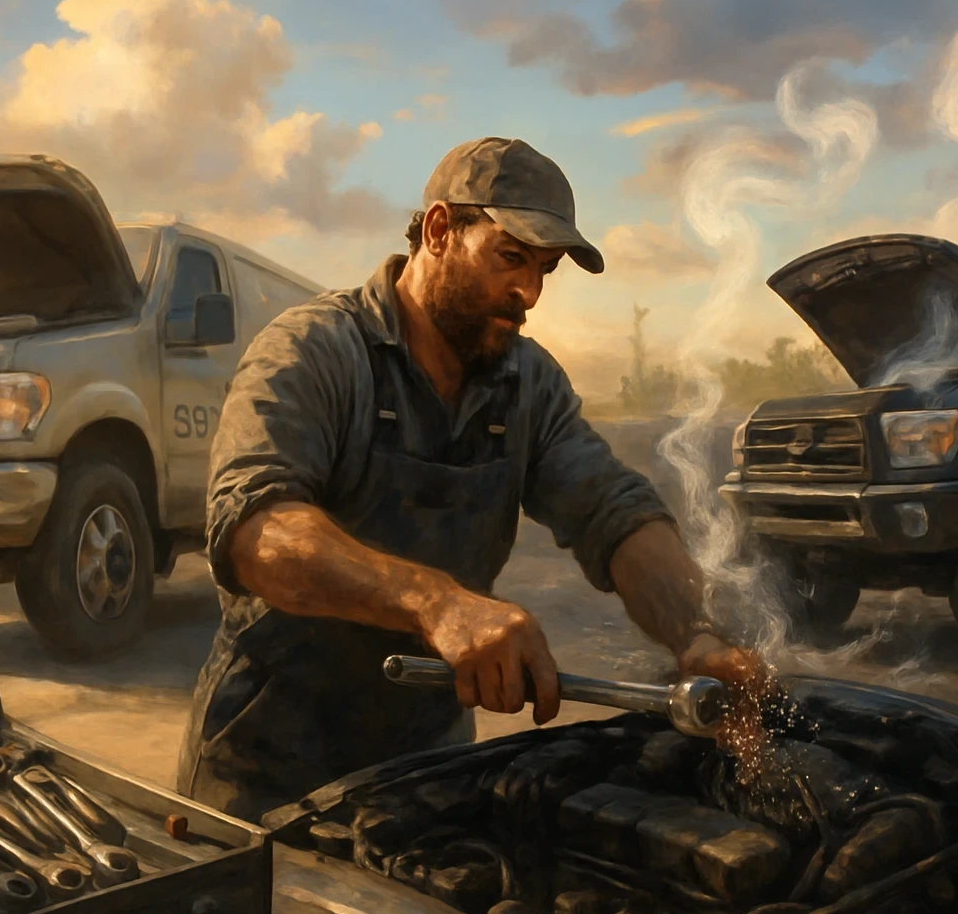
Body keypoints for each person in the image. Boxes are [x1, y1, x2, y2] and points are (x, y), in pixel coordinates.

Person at [176, 137, 758, 823]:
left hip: (425, 763)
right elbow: (255, 529)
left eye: (545, 270)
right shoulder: (313, 350)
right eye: (511, 258)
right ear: (439, 230)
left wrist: (696, 633)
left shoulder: (528, 384)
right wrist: (437, 602)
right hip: (265, 768)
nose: (529, 293)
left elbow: (614, 511)